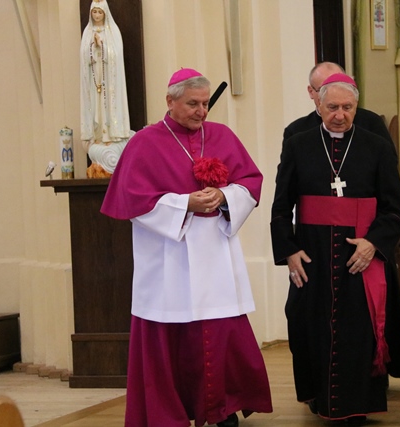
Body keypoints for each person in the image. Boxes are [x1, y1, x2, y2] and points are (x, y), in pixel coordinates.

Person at [101, 68, 272, 427]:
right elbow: (133, 199)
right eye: (193, 104)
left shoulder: (221, 135)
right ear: (170, 101)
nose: (202, 111)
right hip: (169, 258)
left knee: (221, 332)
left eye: (206, 103)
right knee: (171, 337)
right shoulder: (144, 143)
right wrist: (184, 204)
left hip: (216, 255)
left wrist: (225, 195)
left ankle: (221, 408)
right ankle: (169, 414)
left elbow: (250, 182)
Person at [270, 73, 400, 424]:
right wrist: (289, 250)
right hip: (313, 254)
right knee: (307, 323)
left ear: (356, 106)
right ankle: (317, 395)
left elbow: (394, 208)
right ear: (319, 105)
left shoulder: (376, 146)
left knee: (359, 329)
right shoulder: (298, 144)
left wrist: (373, 243)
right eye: (333, 107)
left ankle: (358, 404)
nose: (340, 115)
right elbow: (281, 206)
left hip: (360, 256)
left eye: (347, 107)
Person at [80, 0, 133, 177]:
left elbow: (115, 54)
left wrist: (102, 45)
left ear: (105, 14)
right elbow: (83, 57)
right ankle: (99, 136)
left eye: (99, 12)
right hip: (95, 79)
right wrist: (92, 47)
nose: (96, 16)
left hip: (110, 81)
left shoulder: (112, 31)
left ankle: (111, 135)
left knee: (108, 106)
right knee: (96, 108)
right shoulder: (87, 32)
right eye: (94, 12)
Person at [283, 62, 393, 143]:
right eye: (323, 89)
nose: (333, 93)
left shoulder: (371, 123)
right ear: (311, 92)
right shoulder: (296, 131)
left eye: (340, 86)